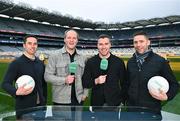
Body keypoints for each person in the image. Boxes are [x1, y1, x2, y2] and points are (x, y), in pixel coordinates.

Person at [125, 31, 179, 120]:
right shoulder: (130, 62)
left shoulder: (160, 61)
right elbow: (127, 83)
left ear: (148, 42)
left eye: (141, 41)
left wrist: (167, 96)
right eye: (135, 42)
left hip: (151, 111)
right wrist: (126, 100)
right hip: (132, 110)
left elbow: (174, 85)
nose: (138, 45)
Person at [1, 35, 47, 119]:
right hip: (24, 108)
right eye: (29, 43)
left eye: (35, 44)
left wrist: (44, 101)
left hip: (40, 108)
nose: (32, 46)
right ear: (24, 45)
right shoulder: (16, 63)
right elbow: (5, 83)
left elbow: (43, 85)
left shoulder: (40, 63)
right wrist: (16, 92)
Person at [44, 29, 88, 107]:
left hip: (78, 100)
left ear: (77, 40)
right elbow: (47, 77)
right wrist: (64, 80)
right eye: (69, 38)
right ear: (64, 39)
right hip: (60, 100)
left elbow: (86, 77)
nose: (71, 40)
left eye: (74, 38)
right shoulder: (54, 55)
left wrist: (85, 94)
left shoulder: (83, 57)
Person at [82, 34, 126, 108]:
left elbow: (124, 83)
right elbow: (85, 83)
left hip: (114, 103)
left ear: (110, 45)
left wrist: (122, 100)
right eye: (101, 44)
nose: (103, 47)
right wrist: (96, 81)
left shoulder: (119, 62)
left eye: (106, 44)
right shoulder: (90, 62)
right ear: (97, 46)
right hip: (96, 103)